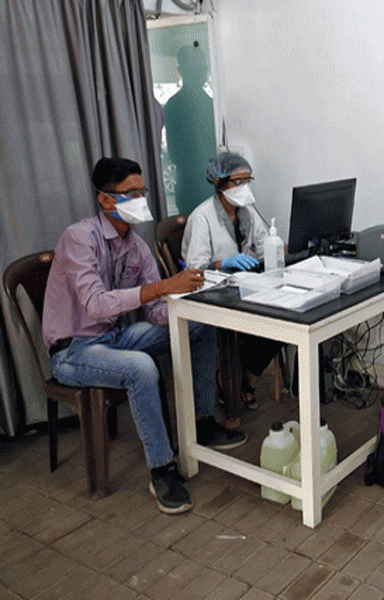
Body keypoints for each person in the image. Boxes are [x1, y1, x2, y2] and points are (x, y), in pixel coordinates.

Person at [43, 157, 246, 514]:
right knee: (141, 368)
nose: (141, 199)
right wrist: (162, 288)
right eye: (130, 194)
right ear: (105, 200)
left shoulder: (135, 245)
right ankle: (162, 469)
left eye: (143, 191)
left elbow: (154, 310)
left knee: (198, 327)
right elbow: (94, 305)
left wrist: (189, 303)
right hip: (75, 349)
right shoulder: (79, 238)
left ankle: (202, 422)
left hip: (116, 336)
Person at [181, 151, 283, 423]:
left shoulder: (247, 213)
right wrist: (223, 263)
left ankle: (247, 379)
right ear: (219, 183)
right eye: (237, 182)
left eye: (247, 181)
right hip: (214, 293)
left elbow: (263, 245)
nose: (244, 188)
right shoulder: (202, 217)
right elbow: (194, 268)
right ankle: (230, 384)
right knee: (258, 321)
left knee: (281, 319)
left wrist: (274, 251)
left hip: (247, 287)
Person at [164, 44, 216, 215]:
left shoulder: (212, 104)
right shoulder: (174, 106)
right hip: (191, 189)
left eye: (203, 67)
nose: (201, 72)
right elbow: (176, 153)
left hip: (210, 186)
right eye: (196, 67)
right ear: (182, 71)